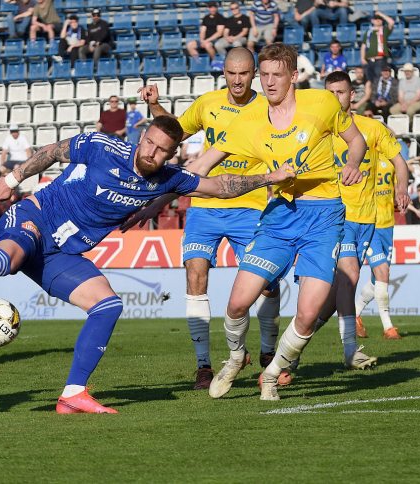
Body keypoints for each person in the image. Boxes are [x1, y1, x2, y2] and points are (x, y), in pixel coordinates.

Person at [0, 116, 295, 412]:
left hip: (63, 254)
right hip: (34, 216)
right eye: (148, 142)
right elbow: (55, 150)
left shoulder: (168, 178)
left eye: (162, 149)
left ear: (171, 154)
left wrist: (267, 179)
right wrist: (13, 180)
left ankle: (73, 393)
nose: (151, 152)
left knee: (108, 305)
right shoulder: (104, 146)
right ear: (141, 136)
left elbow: (219, 185)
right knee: (3, 261)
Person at [133, 44, 367, 401]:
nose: (269, 82)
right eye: (265, 74)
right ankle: (234, 357)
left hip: (322, 217)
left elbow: (356, 141)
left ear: (294, 76)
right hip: (278, 216)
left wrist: (352, 162)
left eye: (277, 74)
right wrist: (158, 201)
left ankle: (272, 372)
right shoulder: (248, 122)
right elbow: (199, 165)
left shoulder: (322, 104)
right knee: (237, 303)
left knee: (306, 314)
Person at [137, 48, 288, 390]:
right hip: (205, 204)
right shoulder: (208, 103)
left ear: (254, 74)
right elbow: (174, 132)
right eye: (231, 73)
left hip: (250, 205)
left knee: (266, 282)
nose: (237, 80)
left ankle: (267, 354)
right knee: (195, 273)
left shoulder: (269, 106)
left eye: (244, 73)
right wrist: (154, 105)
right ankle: (204, 365)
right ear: (224, 72)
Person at [310, 70, 409, 356]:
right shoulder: (319, 132)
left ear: (352, 95)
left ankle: (294, 343)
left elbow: (399, 163)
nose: (334, 98)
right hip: (334, 216)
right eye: (329, 93)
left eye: (340, 92)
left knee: (334, 297)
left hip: (366, 219)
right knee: (350, 275)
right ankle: (350, 349)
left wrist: (401, 189)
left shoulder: (372, 129)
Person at [351, 121, 409, 340]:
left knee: (379, 279)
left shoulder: (393, 161)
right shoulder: (366, 158)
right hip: (370, 222)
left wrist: (401, 195)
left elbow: (399, 185)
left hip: (387, 224)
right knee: (382, 272)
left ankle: (356, 315)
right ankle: (388, 327)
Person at [360, 12, 395, 86]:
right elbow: (363, 46)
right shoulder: (369, 32)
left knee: (379, 81)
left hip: (379, 61)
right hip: (368, 61)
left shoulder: (384, 30)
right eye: (376, 18)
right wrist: (362, 58)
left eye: (380, 19)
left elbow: (391, 22)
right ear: (372, 20)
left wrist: (381, 14)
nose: (378, 20)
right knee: (369, 81)